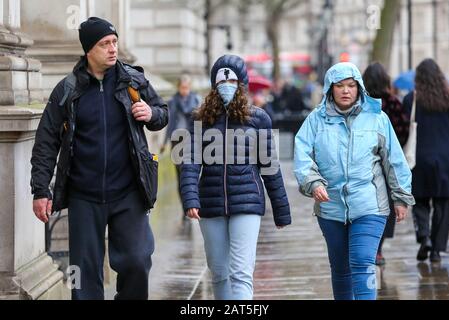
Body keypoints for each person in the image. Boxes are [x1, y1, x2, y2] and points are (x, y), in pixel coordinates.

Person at [30, 17, 168, 300]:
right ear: (89, 50)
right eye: (105, 44)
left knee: (138, 261)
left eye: (115, 42)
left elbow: (162, 112)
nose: (113, 49)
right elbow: (46, 141)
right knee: (83, 276)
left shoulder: (134, 81)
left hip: (129, 190)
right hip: (84, 195)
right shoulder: (67, 90)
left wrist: (151, 114)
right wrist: (40, 189)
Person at [294, 62, 415, 300]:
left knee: (362, 261)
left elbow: (394, 160)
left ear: (359, 87)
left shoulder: (377, 118)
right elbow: (302, 156)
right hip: (330, 207)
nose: (346, 90)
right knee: (340, 268)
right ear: (330, 88)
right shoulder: (315, 121)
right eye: (340, 86)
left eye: (351, 85)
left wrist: (401, 197)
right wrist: (314, 183)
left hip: (370, 205)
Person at [180, 55, 291, 300]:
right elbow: (189, 160)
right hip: (210, 203)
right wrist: (190, 198)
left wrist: (281, 209)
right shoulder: (200, 119)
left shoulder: (259, 119)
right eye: (221, 80)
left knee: (241, 273)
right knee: (219, 272)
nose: (226, 86)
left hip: (247, 203)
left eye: (232, 80)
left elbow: (270, 167)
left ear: (242, 84)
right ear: (213, 84)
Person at [362, 62, 410, 265]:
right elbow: (404, 131)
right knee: (386, 205)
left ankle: (369, 246)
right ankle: (378, 249)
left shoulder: (362, 103)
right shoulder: (393, 102)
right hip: (388, 160)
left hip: (366, 158)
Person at [403, 58, 449, 263]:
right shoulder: (448, 98)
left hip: (418, 158)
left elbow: (404, 129)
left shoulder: (410, 100)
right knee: (443, 203)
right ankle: (437, 249)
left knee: (420, 201)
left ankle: (424, 237)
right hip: (446, 158)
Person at [161, 74, 201, 212]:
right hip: (177, 140)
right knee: (180, 173)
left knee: (189, 171)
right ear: (178, 87)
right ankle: (184, 205)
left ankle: (191, 201)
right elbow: (170, 123)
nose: (184, 90)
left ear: (190, 88)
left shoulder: (196, 100)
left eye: (186, 87)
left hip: (191, 140)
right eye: (182, 88)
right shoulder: (173, 102)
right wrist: (164, 142)